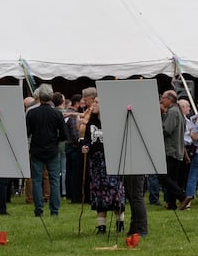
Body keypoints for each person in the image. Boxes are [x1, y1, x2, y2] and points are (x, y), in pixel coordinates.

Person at [77, 87, 125, 232]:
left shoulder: (111, 121)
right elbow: (84, 139)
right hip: (96, 163)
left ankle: (119, 223)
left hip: (110, 161)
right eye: (93, 102)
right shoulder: (90, 121)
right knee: (98, 193)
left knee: (115, 192)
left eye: (97, 102)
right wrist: (84, 146)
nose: (93, 105)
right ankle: (101, 226)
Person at [27, 84, 68, 217]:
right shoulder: (56, 113)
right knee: (54, 180)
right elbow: (64, 135)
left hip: (37, 150)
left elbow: (27, 133)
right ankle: (54, 210)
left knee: (37, 180)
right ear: (50, 97)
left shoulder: (32, 113)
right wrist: (55, 140)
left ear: (39, 96)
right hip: (52, 150)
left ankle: (38, 209)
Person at [157, 90, 189, 209]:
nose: (161, 100)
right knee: (172, 178)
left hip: (170, 149)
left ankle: (182, 196)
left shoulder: (172, 112)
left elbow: (166, 130)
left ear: (169, 99)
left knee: (163, 176)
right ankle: (171, 204)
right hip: (178, 150)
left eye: (163, 97)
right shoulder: (179, 112)